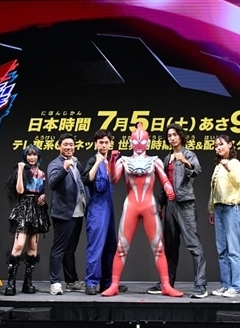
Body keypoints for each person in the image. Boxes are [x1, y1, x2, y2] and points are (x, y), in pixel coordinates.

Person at [100, 123, 183, 297]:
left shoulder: (154, 161)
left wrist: (169, 188)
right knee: (121, 247)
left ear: (148, 142)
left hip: (148, 206)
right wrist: (112, 161)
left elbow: (164, 179)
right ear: (130, 142)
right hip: (131, 205)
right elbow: (113, 179)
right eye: (136, 141)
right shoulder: (124, 161)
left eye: (142, 141)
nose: (139, 144)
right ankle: (114, 284)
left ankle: (166, 285)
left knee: (158, 247)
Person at [146, 123, 208, 298]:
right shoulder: (167, 158)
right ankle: (167, 283)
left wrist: (186, 162)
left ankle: (201, 285)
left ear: (180, 136)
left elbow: (196, 170)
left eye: (175, 134)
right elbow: (164, 182)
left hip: (185, 204)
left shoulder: (188, 154)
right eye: (169, 135)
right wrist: (161, 203)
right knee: (170, 247)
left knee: (194, 245)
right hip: (170, 205)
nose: (172, 138)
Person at [80, 129, 127, 295]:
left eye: (106, 142)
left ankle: (108, 283)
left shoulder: (112, 161)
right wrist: (97, 163)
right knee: (96, 246)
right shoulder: (93, 160)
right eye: (101, 142)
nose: (104, 145)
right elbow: (86, 179)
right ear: (96, 144)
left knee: (110, 246)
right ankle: (91, 282)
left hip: (108, 206)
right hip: (97, 207)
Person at [3, 144, 50, 296]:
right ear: (25, 156)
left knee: (33, 246)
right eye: (29, 154)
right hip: (23, 207)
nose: (32, 157)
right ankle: (11, 283)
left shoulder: (41, 174)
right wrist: (20, 170)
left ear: (38, 156)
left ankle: (27, 282)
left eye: (34, 154)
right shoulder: (21, 171)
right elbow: (20, 190)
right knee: (18, 245)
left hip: (37, 209)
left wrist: (43, 196)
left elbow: (41, 191)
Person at [47, 133, 87, 295]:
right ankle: (55, 282)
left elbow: (83, 182)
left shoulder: (76, 162)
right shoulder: (55, 164)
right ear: (59, 146)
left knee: (70, 250)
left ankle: (71, 282)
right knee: (59, 249)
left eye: (71, 145)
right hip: (63, 213)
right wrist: (64, 169)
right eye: (65, 145)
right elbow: (52, 183)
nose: (69, 147)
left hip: (78, 213)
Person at [207, 134, 240, 298]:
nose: (218, 148)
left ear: (230, 144)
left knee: (234, 250)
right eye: (216, 146)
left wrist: (228, 167)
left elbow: (238, 182)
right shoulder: (218, 166)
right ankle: (225, 285)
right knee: (222, 250)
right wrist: (211, 209)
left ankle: (236, 287)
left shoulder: (234, 163)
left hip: (231, 208)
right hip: (219, 209)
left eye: (221, 144)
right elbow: (213, 190)